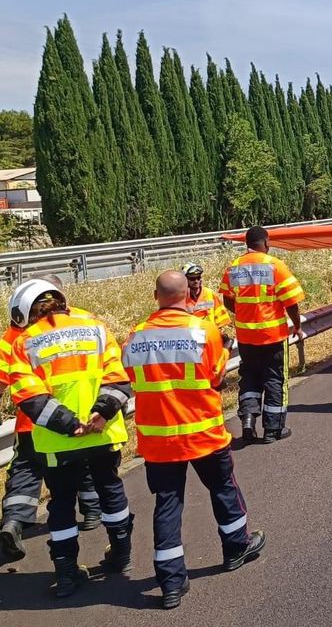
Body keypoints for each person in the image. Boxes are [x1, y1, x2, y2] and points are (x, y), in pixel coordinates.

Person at [125, 271, 266, 609]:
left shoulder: (136, 335)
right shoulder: (204, 331)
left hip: (159, 440)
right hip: (202, 433)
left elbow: (131, 379)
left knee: (168, 504)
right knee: (223, 488)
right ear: (188, 294)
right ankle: (236, 548)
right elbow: (217, 377)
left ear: (156, 295)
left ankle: (171, 582)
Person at [6, 279, 133, 598]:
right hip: (102, 432)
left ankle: (65, 574)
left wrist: (69, 425)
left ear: (26, 310)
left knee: (61, 504)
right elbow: (118, 377)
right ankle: (121, 555)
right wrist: (101, 413)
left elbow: (29, 397)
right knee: (110, 490)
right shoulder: (95, 327)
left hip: (58, 440)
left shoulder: (27, 341)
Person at [0, 277, 104, 562]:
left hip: (29, 423)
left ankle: (13, 522)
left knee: (24, 473)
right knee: (78, 466)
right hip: (74, 417)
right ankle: (92, 511)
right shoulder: (82, 323)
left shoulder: (12, 337)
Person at [221, 226, 305, 446]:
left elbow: (227, 299)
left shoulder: (234, 267)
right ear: (266, 242)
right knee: (275, 380)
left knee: (249, 377)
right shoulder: (274, 265)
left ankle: (248, 420)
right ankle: (273, 429)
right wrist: (297, 326)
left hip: (247, 337)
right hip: (273, 336)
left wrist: (244, 314)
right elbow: (291, 303)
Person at [183, 262, 232, 334]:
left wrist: (223, 333)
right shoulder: (180, 298)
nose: (196, 281)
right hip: (190, 339)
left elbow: (221, 319)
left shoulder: (209, 294)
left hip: (210, 336)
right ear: (185, 279)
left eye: (198, 277)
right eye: (192, 278)